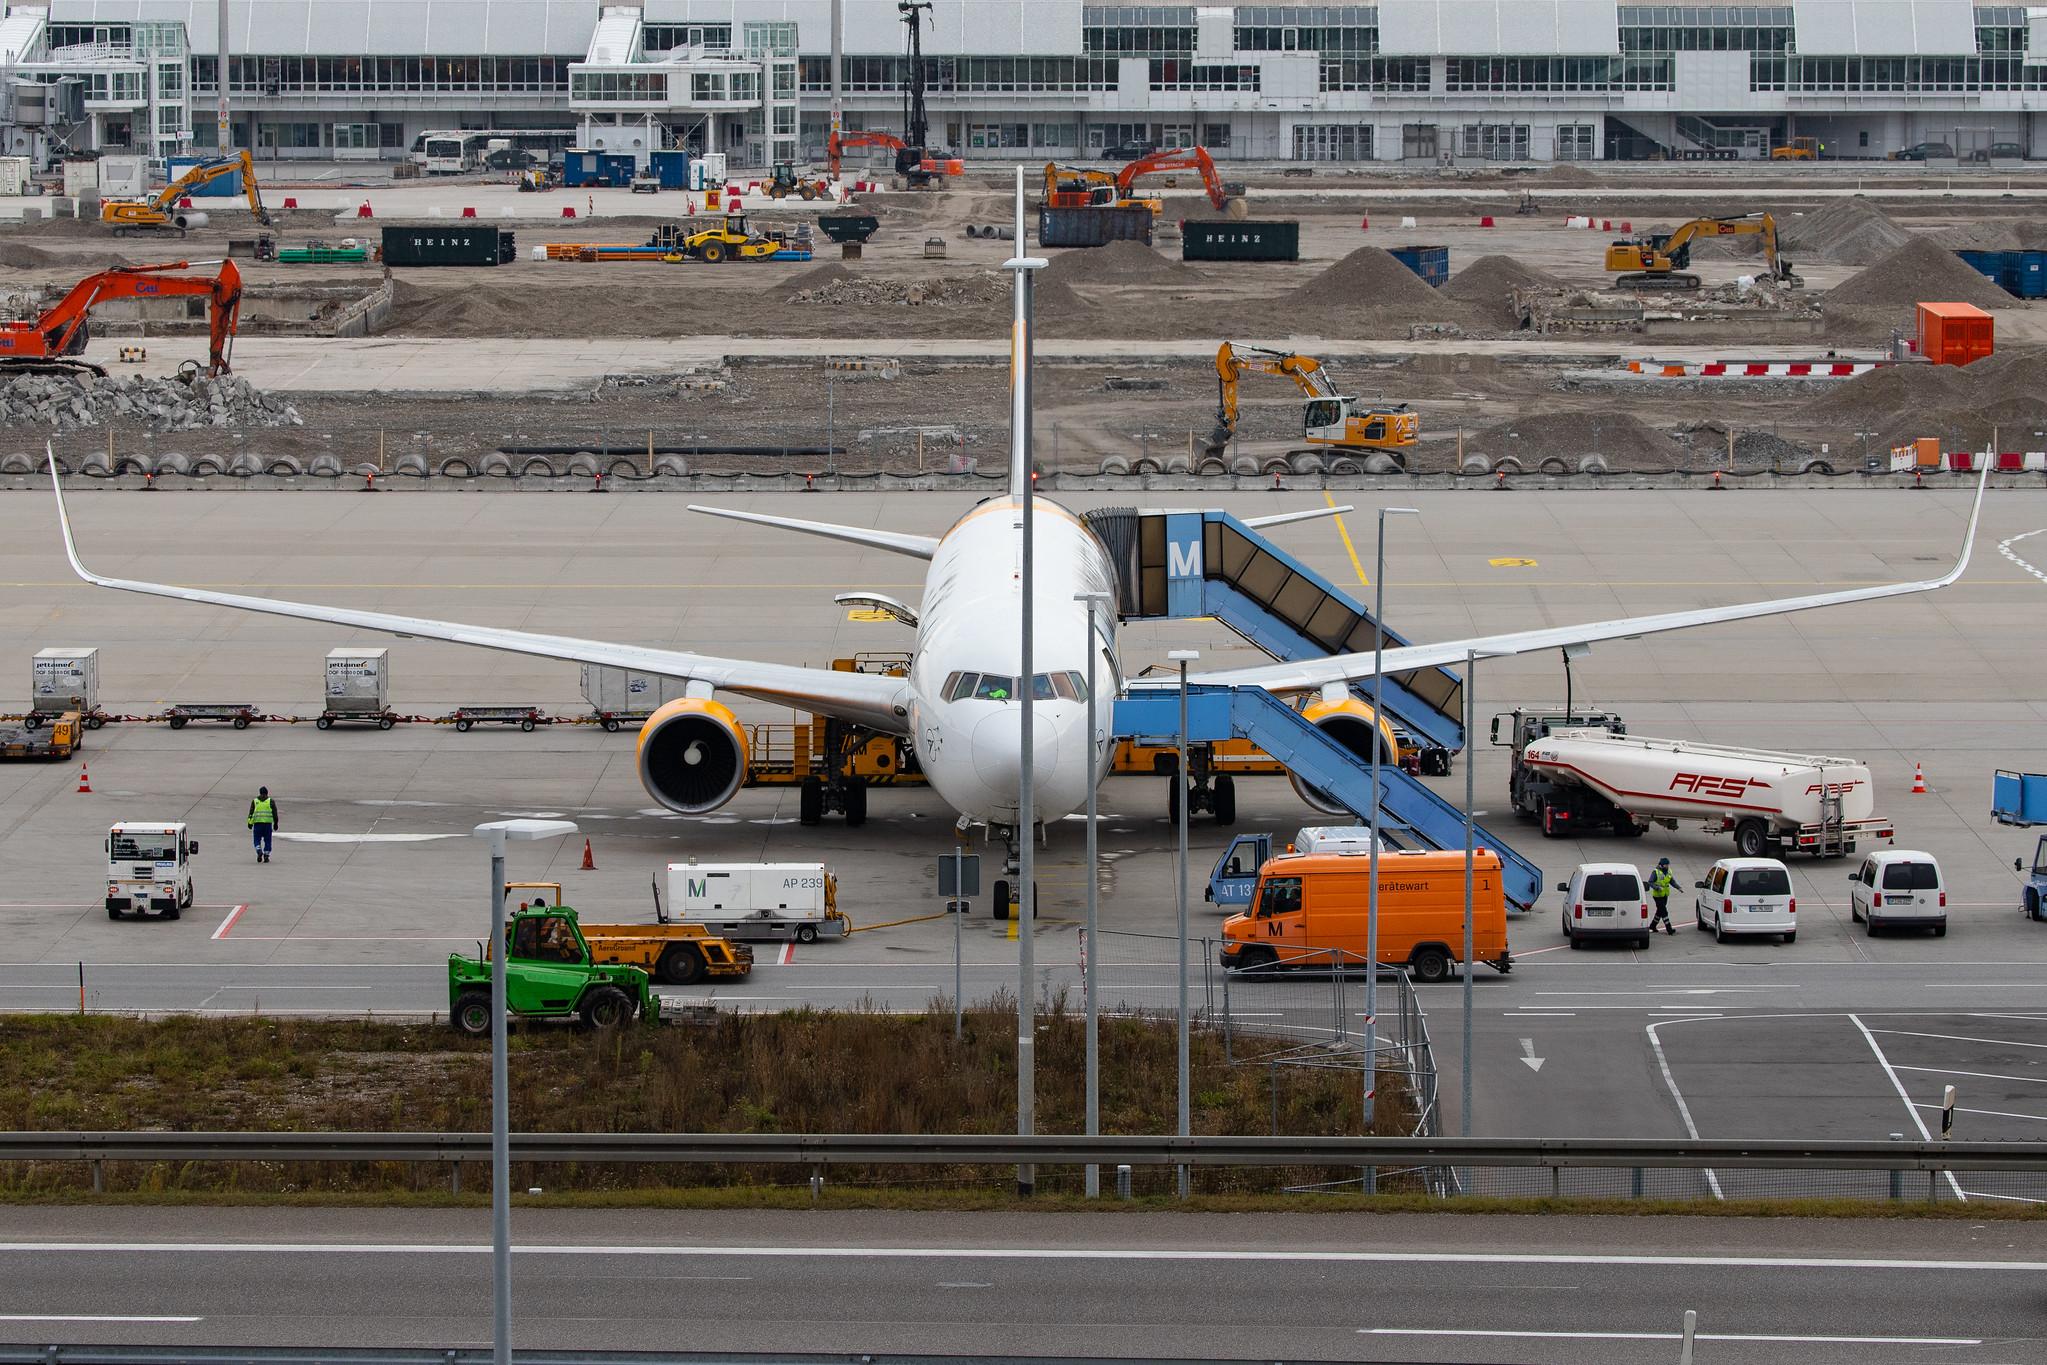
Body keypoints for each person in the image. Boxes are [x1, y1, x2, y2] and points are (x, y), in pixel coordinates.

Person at [247, 786, 279, 863]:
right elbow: (275, 813)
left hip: (257, 824)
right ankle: (266, 855)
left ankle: (259, 850)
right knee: (268, 841)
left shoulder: (255, 801)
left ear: (260, 793)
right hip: (267, 825)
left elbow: (251, 813)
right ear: (267, 793)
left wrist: (249, 823)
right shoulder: (271, 801)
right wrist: (276, 823)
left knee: (256, 840)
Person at [1648, 857, 1677, 934]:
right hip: (1657, 896)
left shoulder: (1668, 872)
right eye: (1666, 865)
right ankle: (1669, 929)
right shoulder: (1655, 872)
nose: (1667, 866)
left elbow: (1672, 881)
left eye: (1668, 864)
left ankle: (1653, 925)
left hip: (1665, 895)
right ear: (1661, 865)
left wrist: (1678, 887)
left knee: (1659, 911)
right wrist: (1657, 888)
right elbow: (1650, 882)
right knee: (1664, 912)